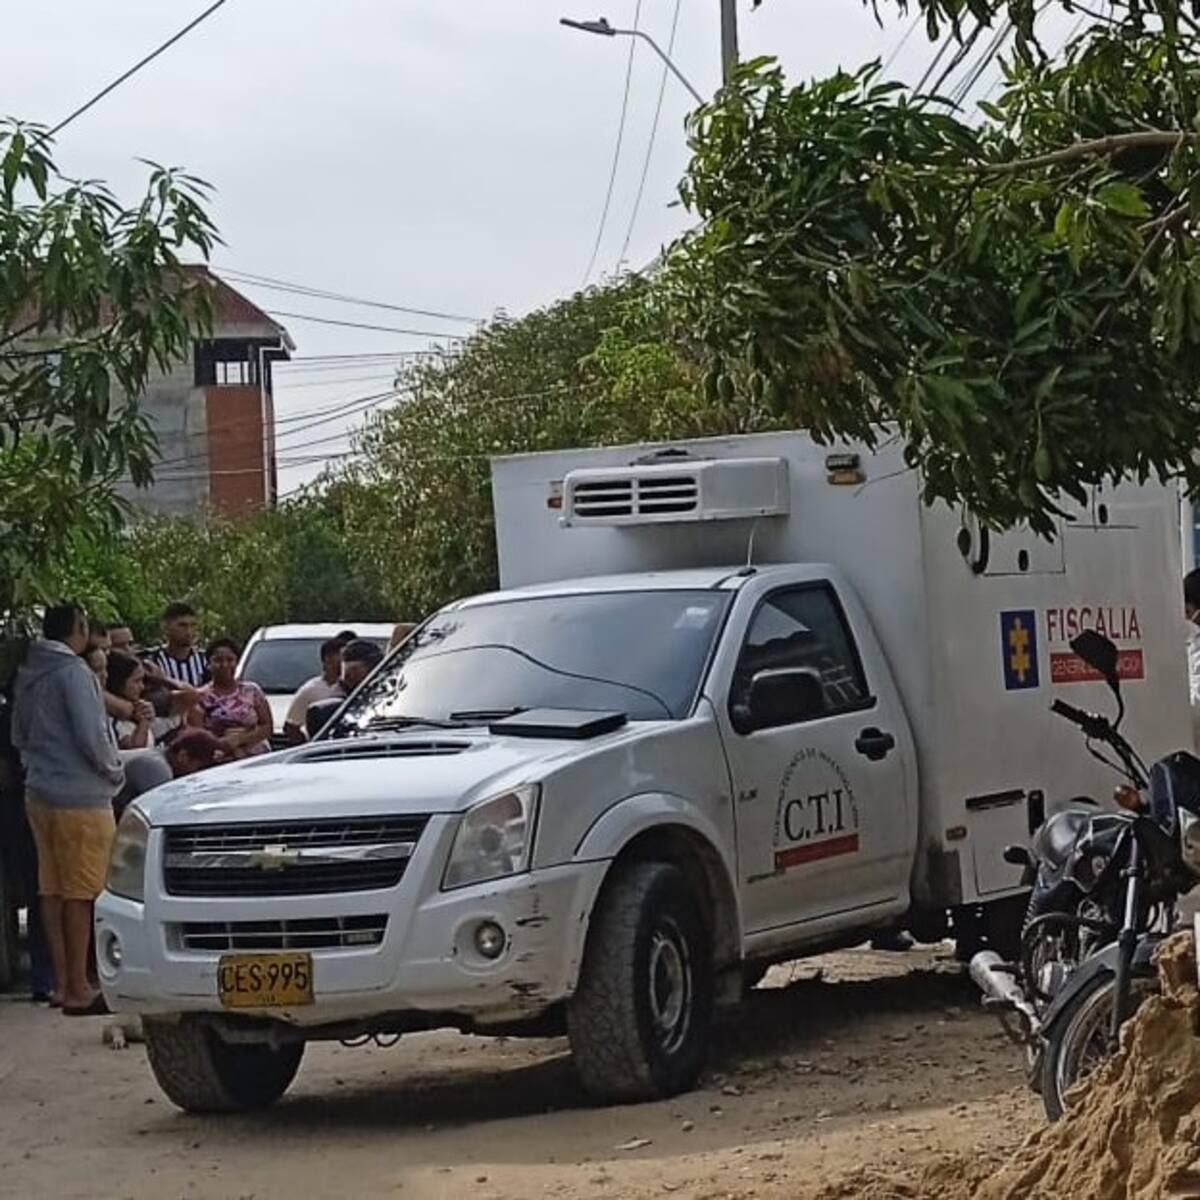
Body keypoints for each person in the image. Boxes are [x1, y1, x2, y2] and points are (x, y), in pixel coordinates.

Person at [12, 603, 123, 1016]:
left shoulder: (28, 673)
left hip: (39, 792)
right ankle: (78, 984)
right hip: (81, 796)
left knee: (52, 888)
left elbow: (19, 734)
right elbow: (92, 737)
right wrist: (113, 773)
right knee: (82, 891)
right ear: (78, 629)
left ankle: (61, 982)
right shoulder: (74, 674)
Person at [189, 638, 272, 759]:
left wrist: (241, 739)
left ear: (237, 662)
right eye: (218, 660)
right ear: (208, 665)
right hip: (220, 758)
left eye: (230, 660)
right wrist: (224, 743)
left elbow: (267, 727)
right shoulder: (200, 696)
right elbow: (198, 735)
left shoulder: (252, 690)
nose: (224, 665)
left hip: (256, 757)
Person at [283, 635, 352, 745]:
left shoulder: (356, 687)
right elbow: (291, 726)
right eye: (342, 657)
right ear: (327, 659)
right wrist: (308, 745)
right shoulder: (310, 690)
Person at [105, 652, 158, 750]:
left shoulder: (138, 708)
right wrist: (144, 722)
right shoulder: (111, 720)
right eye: (136, 681)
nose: (142, 687)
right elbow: (136, 750)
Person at [148, 601, 209, 687]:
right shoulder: (154, 660)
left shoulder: (205, 659)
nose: (189, 632)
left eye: (193, 625)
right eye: (182, 625)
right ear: (165, 627)